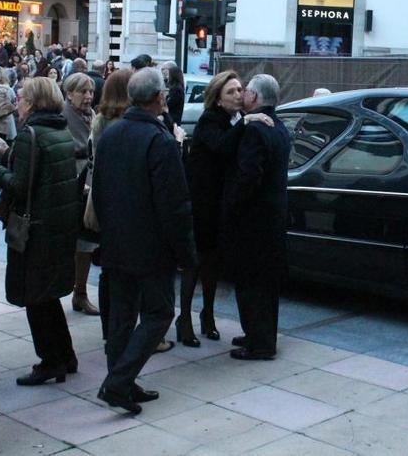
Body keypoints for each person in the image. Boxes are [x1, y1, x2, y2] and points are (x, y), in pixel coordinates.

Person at [93, 68, 196, 414]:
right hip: (150, 246)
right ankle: (119, 382)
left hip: (117, 241)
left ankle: (121, 381)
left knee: (121, 317)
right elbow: (174, 204)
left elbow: (100, 192)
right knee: (158, 312)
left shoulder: (112, 133)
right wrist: (185, 251)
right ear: (158, 98)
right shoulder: (160, 140)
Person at [0, 77, 80, 386]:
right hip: (57, 227)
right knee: (48, 296)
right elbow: (41, 171)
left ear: (33, 103)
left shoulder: (31, 134)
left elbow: (21, 185)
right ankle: (65, 355)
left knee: (36, 298)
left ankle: (50, 361)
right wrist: (8, 151)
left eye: (20, 99)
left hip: (35, 231)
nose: (16, 103)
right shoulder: (58, 129)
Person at [180, 71, 269, 345]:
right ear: (217, 98)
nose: (238, 95)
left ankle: (208, 315)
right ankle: (184, 319)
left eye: (240, 90)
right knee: (195, 264)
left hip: (219, 204)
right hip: (201, 205)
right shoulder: (209, 120)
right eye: (231, 91)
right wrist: (246, 120)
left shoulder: (232, 121)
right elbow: (221, 146)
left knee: (212, 266)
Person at [224, 74, 290, 361]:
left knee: (251, 282)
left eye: (247, 91)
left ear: (256, 97)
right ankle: (259, 333)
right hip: (273, 216)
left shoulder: (255, 130)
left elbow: (249, 175)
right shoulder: (280, 127)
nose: (243, 95)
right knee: (266, 282)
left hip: (254, 219)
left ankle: (260, 343)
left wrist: (232, 204)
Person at [89, 68, 132, 340]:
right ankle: (119, 329)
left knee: (108, 268)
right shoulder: (121, 124)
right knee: (123, 272)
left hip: (103, 199)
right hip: (122, 203)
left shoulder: (101, 120)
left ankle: (110, 327)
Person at [61, 73, 99, 316]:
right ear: (69, 93)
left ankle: (80, 293)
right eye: (82, 91)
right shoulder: (62, 117)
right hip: (72, 185)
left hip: (91, 182)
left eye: (91, 92)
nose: (87, 97)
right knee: (72, 244)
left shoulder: (93, 116)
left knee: (86, 244)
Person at [161, 62, 185, 127]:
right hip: (172, 121)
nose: (167, 77)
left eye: (168, 75)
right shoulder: (176, 88)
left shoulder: (176, 89)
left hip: (172, 122)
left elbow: (168, 105)